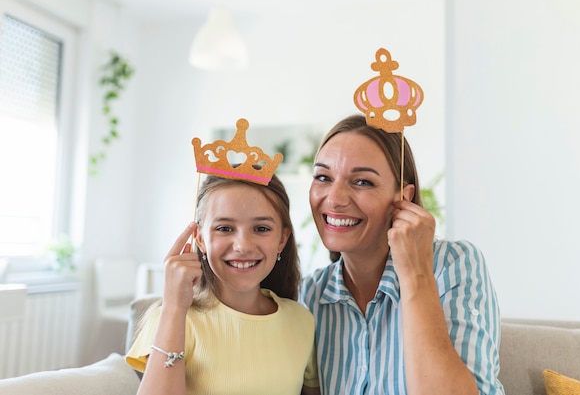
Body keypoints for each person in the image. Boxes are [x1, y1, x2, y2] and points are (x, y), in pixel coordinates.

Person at [299, 114, 504, 395]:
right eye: (323, 177)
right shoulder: (309, 295)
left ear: (404, 198)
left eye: (362, 182)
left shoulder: (452, 265)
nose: (334, 199)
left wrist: (415, 274)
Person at [126, 174, 320, 395]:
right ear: (199, 239)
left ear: (282, 240)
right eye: (225, 228)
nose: (243, 246)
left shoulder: (302, 320)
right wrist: (174, 307)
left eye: (261, 229)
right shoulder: (172, 318)